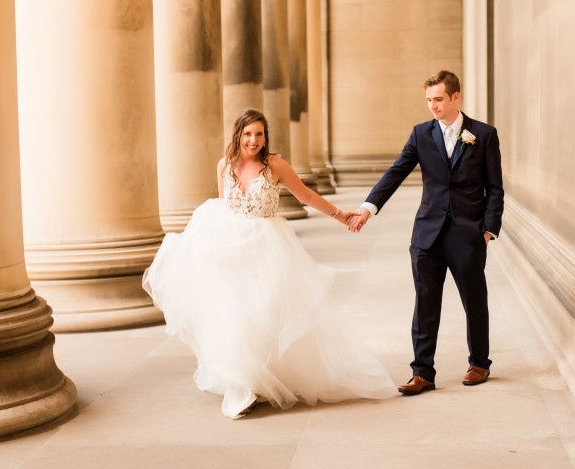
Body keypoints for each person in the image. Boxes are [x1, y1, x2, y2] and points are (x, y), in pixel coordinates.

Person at [143, 108, 396, 419]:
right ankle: (244, 385)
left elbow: (304, 195)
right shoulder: (225, 166)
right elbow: (223, 208)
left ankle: (264, 378)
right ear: (238, 135)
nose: (254, 140)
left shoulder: (274, 164)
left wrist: (340, 215)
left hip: (267, 246)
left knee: (264, 312)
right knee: (235, 315)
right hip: (232, 248)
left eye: (259, 134)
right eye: (248, 134)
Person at [348, 70, 504, 394]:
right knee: (425, 302)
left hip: (467, 235)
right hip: (427, 235)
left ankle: (479, 364)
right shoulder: (421, 134)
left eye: (438, 99)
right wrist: (368, 208)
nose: (432, 106)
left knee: (474, 300)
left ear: (455, 97)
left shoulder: (484, 135)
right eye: (429, 100)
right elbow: (396, 172)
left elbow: (495, 188)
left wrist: (488, 229)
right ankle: (423, 373)